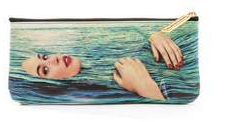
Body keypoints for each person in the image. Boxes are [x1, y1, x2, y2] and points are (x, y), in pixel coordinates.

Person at [21, 31, 183, 101]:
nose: (53, 59)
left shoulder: (94, 48)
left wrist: (156, 35)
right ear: (48, 88)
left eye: (45, 56)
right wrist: (144, 87)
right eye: (45, 69)